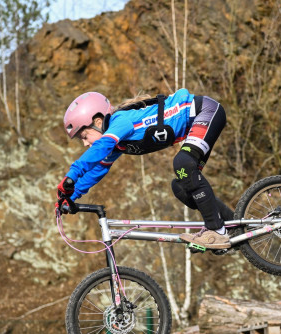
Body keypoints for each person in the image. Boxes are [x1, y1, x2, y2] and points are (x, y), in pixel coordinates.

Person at [56, 88, 234, 249]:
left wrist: (72, 174)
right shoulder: (117, 144)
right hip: (197, 124)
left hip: (205, 112)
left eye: (85, 136)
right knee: (180, 186)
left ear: (97, 120)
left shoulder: (121, 121)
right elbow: (97, 170)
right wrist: (70, 195)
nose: (85, 143)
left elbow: (99, 148)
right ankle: (232, 225)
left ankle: (216, 231)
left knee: (182, 164)